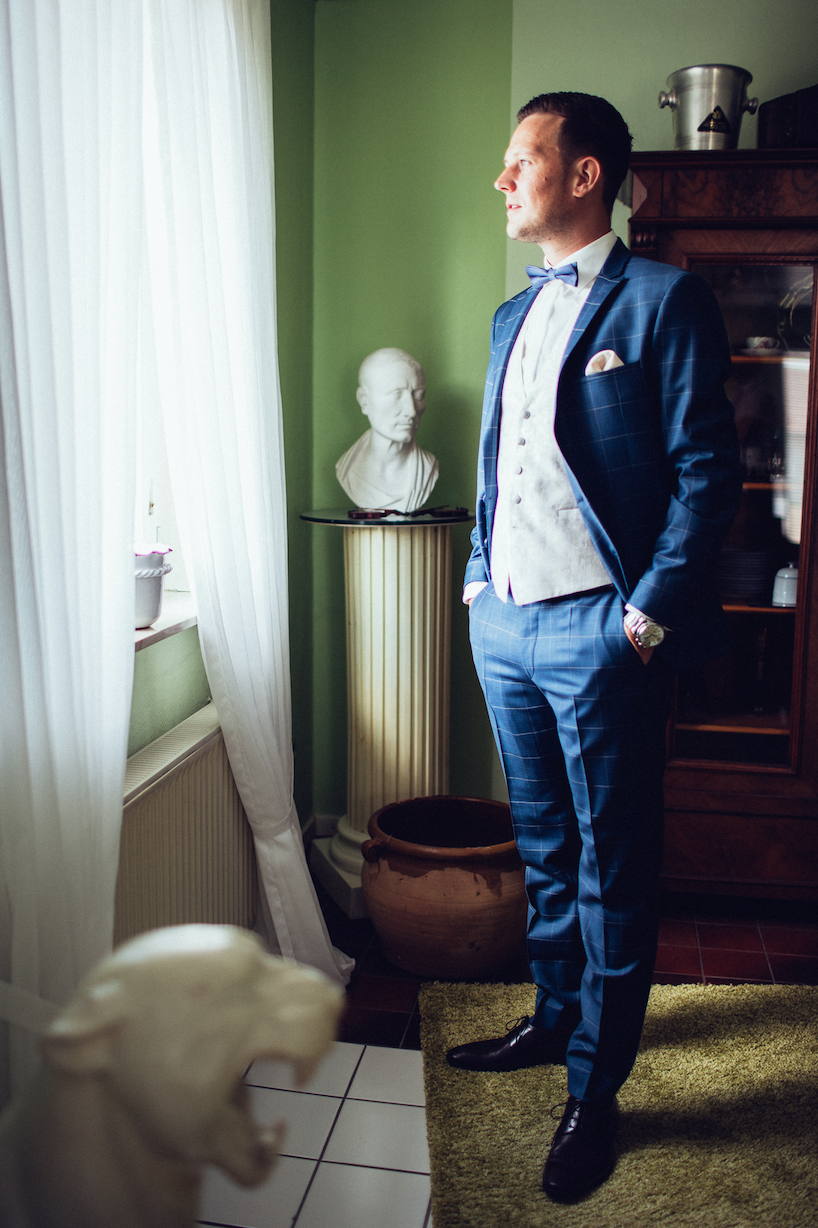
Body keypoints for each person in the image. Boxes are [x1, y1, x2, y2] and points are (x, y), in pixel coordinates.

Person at [447, 92, 741, 1202]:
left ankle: (594, 1086)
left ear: (583, 176)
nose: (501, 178)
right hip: (506, 622)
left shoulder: (665, 298)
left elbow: (707, 474)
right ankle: (553, 1016)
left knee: (611, 863)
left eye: (518, 158)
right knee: (544, 846)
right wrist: (477, 577)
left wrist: (642, 617)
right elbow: (497, 461)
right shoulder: (508, 316)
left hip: (600, 629)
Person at [335, 347, 438, 512]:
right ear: (364, 401)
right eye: (397, 394)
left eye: (418, 396)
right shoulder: (348, 469)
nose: (411, 411)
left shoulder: (427, 468)